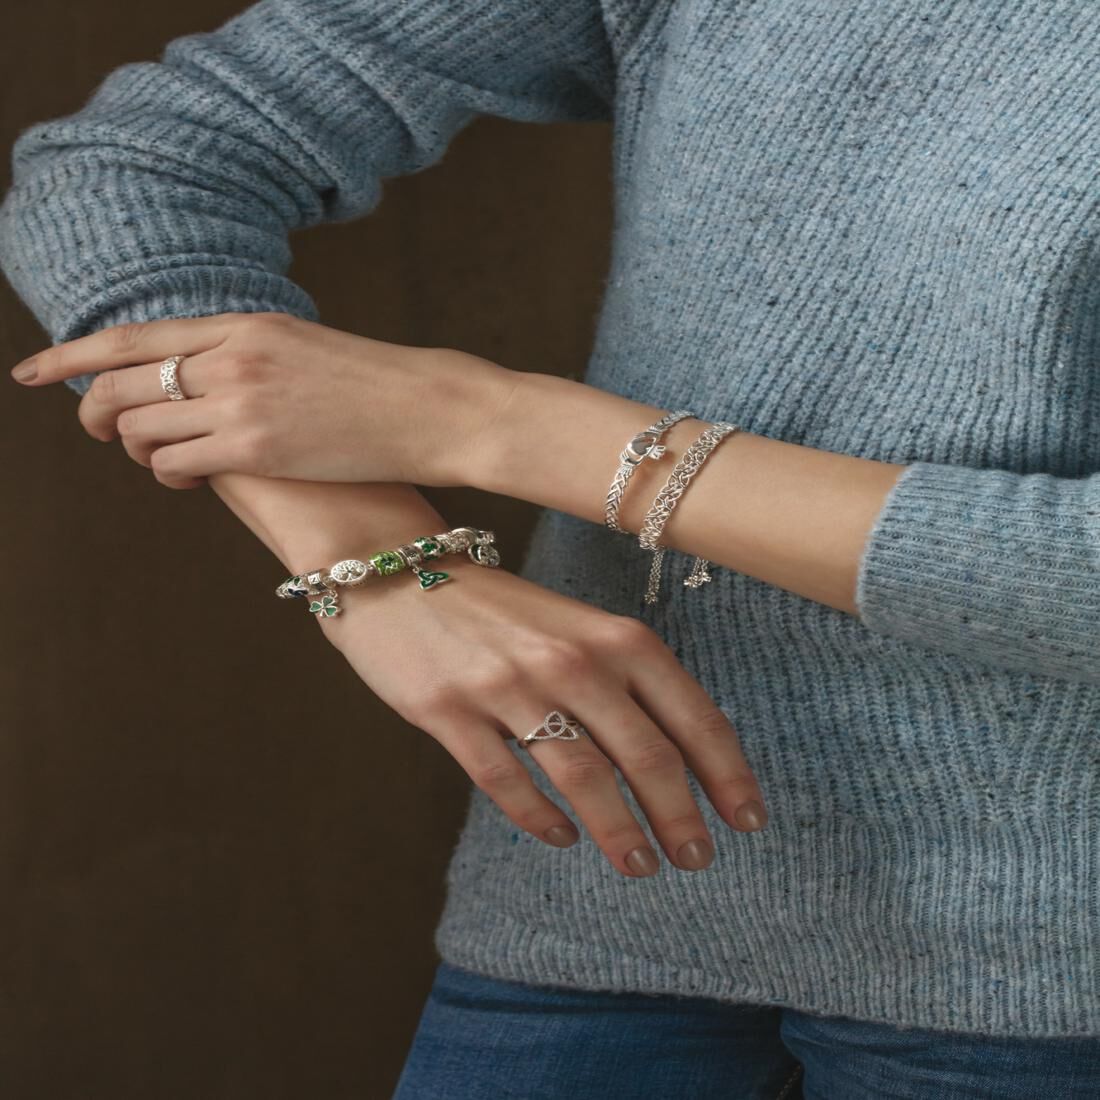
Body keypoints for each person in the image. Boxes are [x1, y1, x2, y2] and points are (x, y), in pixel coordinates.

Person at [3, 1, 1100, 1096]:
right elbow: (128, 166)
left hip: (1053, 968)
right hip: (590, 890)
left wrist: (488, 421)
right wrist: (382, 570)